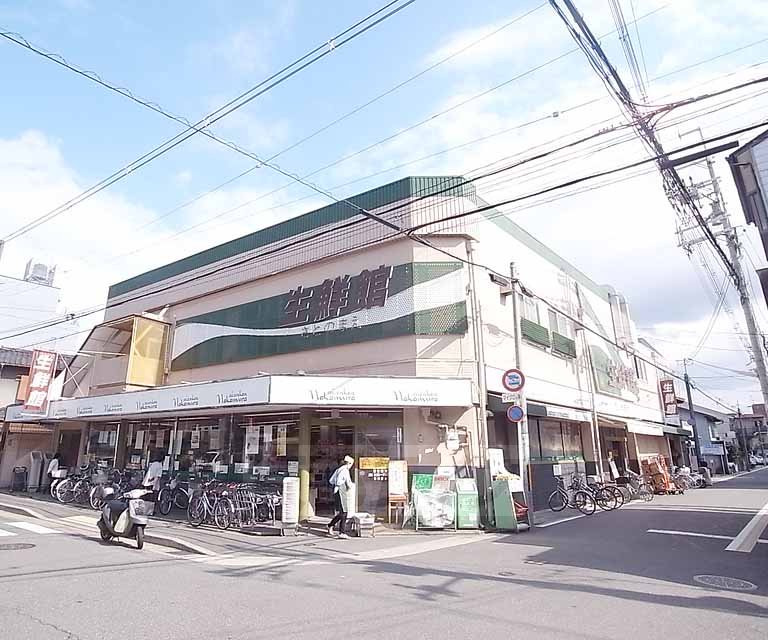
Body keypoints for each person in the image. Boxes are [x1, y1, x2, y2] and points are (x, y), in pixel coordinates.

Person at [327, 455, 354, 539]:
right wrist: (348, 485)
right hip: (341, 492)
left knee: (342, 513)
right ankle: (342, 532)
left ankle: (330, 525)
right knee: (344, 512)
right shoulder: (345, 470)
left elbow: (331, 480)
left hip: (337, 491)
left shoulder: (338, 469)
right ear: (349, 463)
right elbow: (347, 482)